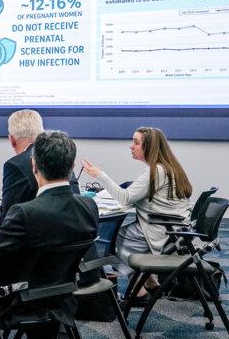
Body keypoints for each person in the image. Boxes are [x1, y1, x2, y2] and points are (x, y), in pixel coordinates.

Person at [0, 131, 99, 339]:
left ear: (33, 165)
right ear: (72, 166)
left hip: (19, 299)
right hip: (61, 293)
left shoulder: (25, 213)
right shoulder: (88, 206)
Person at [81, 126, 192, 295]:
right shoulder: (165, 167)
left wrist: (100, 175)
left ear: (149, 147)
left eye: (136, 142)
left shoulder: (156, 171)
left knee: (107, 242)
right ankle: (150, 283)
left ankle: (139, 290)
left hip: (160, 228)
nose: (131, 146)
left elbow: (125, 198)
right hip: (170, 227)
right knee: (116, 240)